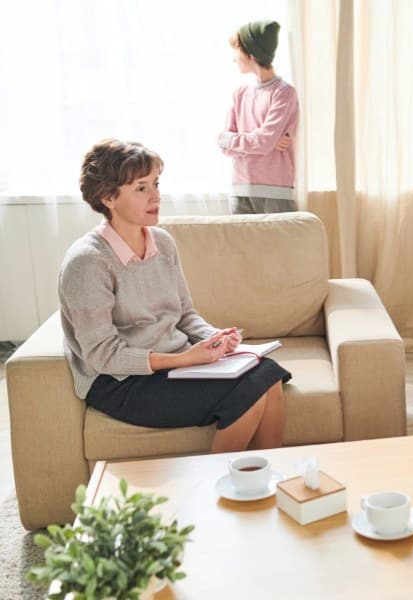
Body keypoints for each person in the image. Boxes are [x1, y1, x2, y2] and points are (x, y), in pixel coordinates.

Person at [59, 139, 290, 453]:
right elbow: (101, 355)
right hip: (120, 381)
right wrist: (184, 358)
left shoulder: (162, 242)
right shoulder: (87, 262)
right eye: (141, 188)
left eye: (155, 183)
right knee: (252, 388)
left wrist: (215, 339)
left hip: (174, 363)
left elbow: (184, 314)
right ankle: (221, 492)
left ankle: (264, 485)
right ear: (107, 197)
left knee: (267, 374)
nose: (156, 196)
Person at [218, 19, 299, 214]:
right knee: (239, 245)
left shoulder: (284, 92)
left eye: (236, 52)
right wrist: (261, 142)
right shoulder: (240, 93)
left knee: (279, 245)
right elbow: (224, 146)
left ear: (252, 55)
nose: (234, 58)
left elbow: (261, 142)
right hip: (239, 189)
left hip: (275, 190)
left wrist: (232, 140)